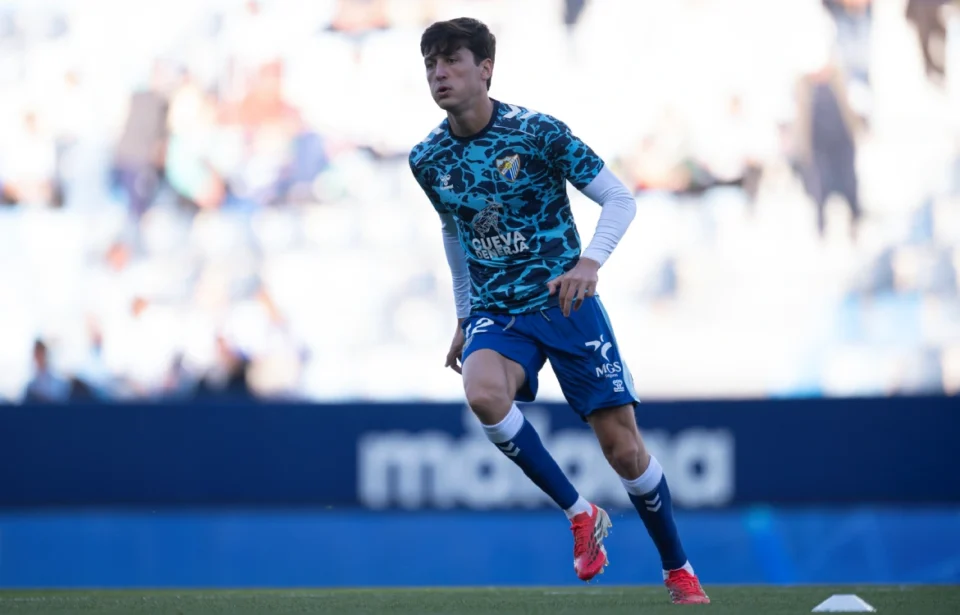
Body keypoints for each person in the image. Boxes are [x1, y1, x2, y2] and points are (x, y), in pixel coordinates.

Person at [408, 17, 709, 604]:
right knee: (481, 392)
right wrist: (465, 316)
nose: (439, 74)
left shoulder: (536, 132)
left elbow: (618, 197)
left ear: (485, 69)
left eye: (451, 61)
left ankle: (677, 567)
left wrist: (590, 262)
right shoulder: (427, 157)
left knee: (623, 450)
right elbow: (454, 233)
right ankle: (580, 513)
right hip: (498, 310)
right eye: (430, 64)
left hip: (566, 302)